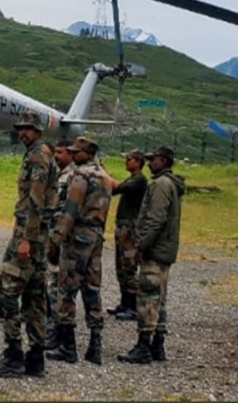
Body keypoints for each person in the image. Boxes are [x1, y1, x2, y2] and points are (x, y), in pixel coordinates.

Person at [0, 112, 52, 378]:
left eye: (28, 129)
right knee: (35, 295)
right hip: (37, 234)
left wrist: (26, 238)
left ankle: (14, 355)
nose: (23, 133)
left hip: (31, 236)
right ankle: (36, 358)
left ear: (37, 130)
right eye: (21, 128)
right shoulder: (39, 153)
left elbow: (36, 199)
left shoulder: (38, 156)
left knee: (7, 291)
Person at [47, 136, 112, 365]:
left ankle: (68, 346)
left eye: (77, 152)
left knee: (66, 288)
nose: (73, 155)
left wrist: (56, 240)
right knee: (92, 288)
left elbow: (70, 210)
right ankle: (95, 344)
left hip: (78, 236)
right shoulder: (105, 176)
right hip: (96, 235)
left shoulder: (81, 175)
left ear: (88, 153)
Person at [118, 146, 184, 365]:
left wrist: (140, 246)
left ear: (163, 161)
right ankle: (158, 345)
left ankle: (144, 345)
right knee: (159, 297)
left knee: (147, 295)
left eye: (153, 159)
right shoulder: (171, 184)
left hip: (155, 249)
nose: (149, 163)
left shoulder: (160, 185)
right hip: (164, 249)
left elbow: (155, 220)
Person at [108, 149, 148, 321]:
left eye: (130, 159)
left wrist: (103, 175)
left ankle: (133, 307)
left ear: (138, 162)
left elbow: (118, 188)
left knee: (128, 266)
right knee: (121, 267)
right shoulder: (133, 179)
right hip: (124, 226)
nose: (127, 162)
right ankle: (125, 303)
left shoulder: (139, 180)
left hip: (130, 228)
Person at [44, 138, 73, 354]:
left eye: (61, 152)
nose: (57, 156)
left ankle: (57, 329)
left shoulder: (71, 176)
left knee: (55, 282)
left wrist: (57, 238)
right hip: (52, 233)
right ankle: (53, 325)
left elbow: (66, 209)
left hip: (60, 236)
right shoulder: (59, 173)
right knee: (50, 280)